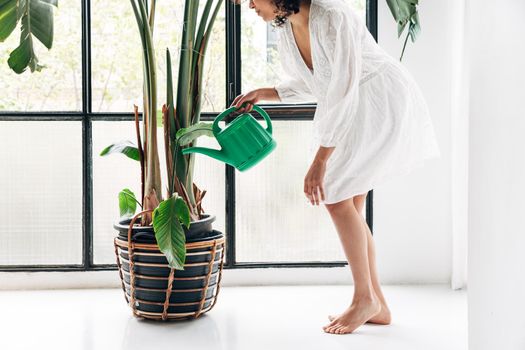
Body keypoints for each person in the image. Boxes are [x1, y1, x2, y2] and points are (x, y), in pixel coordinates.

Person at [231, 0, 441, 335]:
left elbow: (342, 89)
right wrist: (264, 92)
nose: (248, 6)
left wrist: (320, 161)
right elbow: (315, 81)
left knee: (336, 198)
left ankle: (364, 299)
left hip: (377, 100)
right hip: (354, 107)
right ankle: (377, 303)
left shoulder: (332, 15)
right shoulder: (287, 25)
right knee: (351, 205)